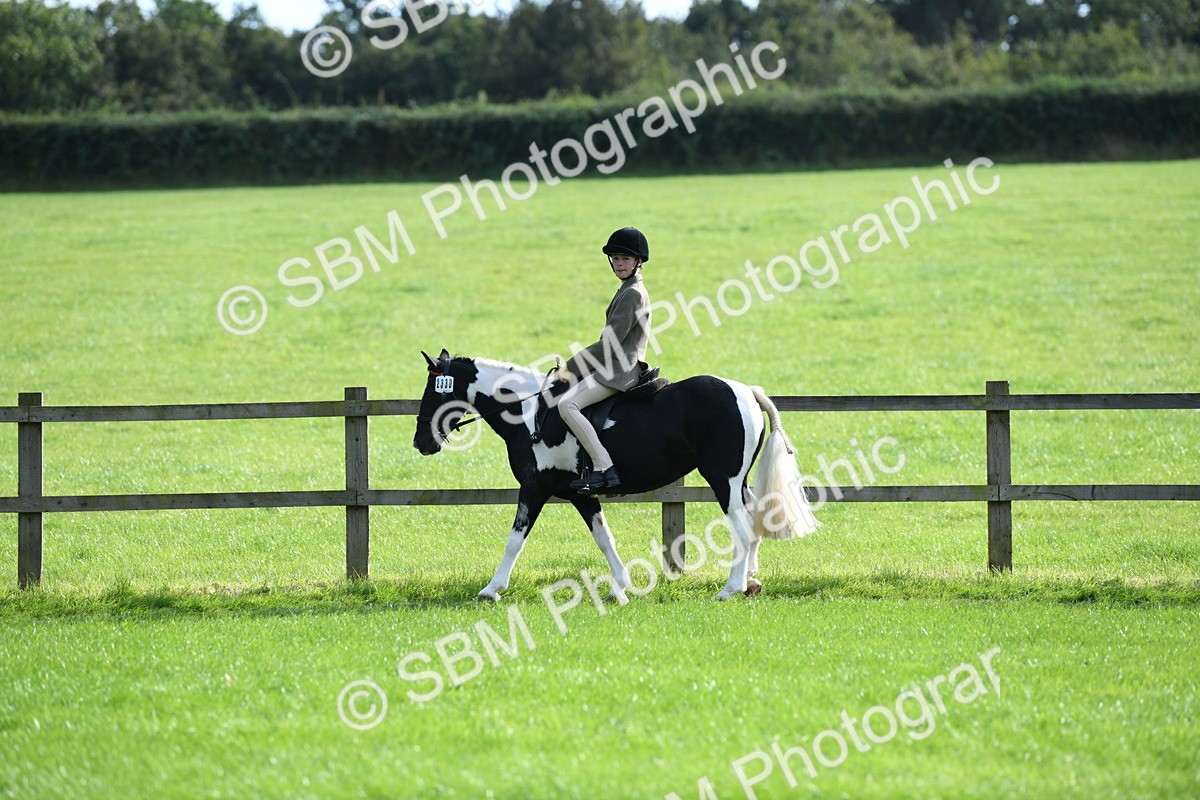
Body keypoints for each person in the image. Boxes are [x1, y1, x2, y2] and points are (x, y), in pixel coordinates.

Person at [560, 227, 653, 494]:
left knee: (567, 405)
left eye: (625, 258)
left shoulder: (633, 293)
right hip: (612, 366)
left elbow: (609, 343)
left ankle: (604, 467)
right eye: (615, 258)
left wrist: (569, 368)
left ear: (638, 261)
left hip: (620, 371)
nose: (619, 263)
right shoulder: (627, 288)